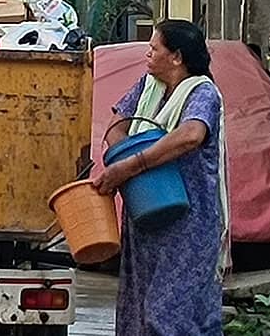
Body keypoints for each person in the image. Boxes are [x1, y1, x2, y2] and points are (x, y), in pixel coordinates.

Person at [93, 20, 229, 336]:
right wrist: (124, 158)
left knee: (170, 315)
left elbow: (191, 135)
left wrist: (132, 166)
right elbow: (117, 126)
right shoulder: (148, 86)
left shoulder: (202, 93)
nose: (148, 54)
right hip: (145, 220)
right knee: (138, 312)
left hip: (187, 227)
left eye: (155, 48)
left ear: (177, 57)